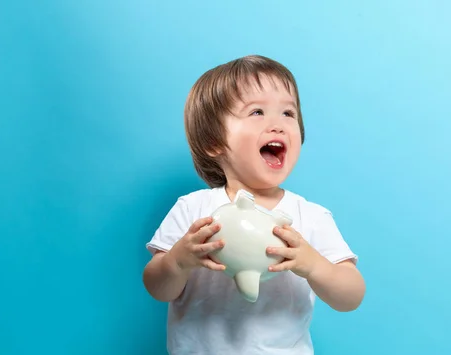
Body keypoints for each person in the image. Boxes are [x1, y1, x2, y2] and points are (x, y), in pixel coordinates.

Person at [142, 54, 366, 354]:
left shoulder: (310, 217)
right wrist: (178, 260)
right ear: (213, 142)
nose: (278, 125)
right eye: (257, 112)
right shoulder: (193, 209)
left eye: (288, 113)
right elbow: (158, 288)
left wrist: (313, 264)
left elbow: (350, 296)